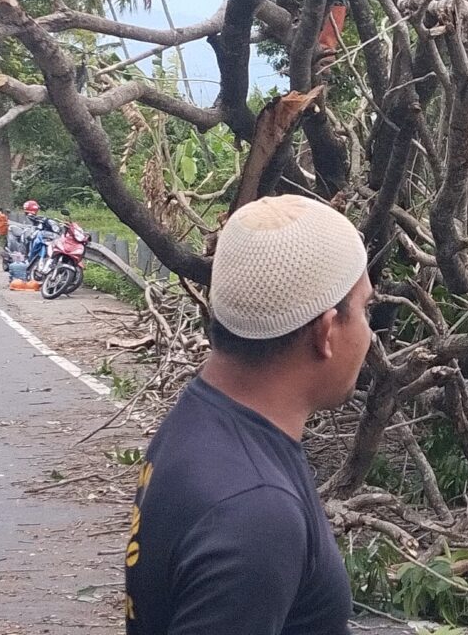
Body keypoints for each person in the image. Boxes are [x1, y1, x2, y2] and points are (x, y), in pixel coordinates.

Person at [125, 194, 370, 635]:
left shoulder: (202, 418)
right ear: (327, 330)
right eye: (366, 310)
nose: (370, 334)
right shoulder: (255, 513)